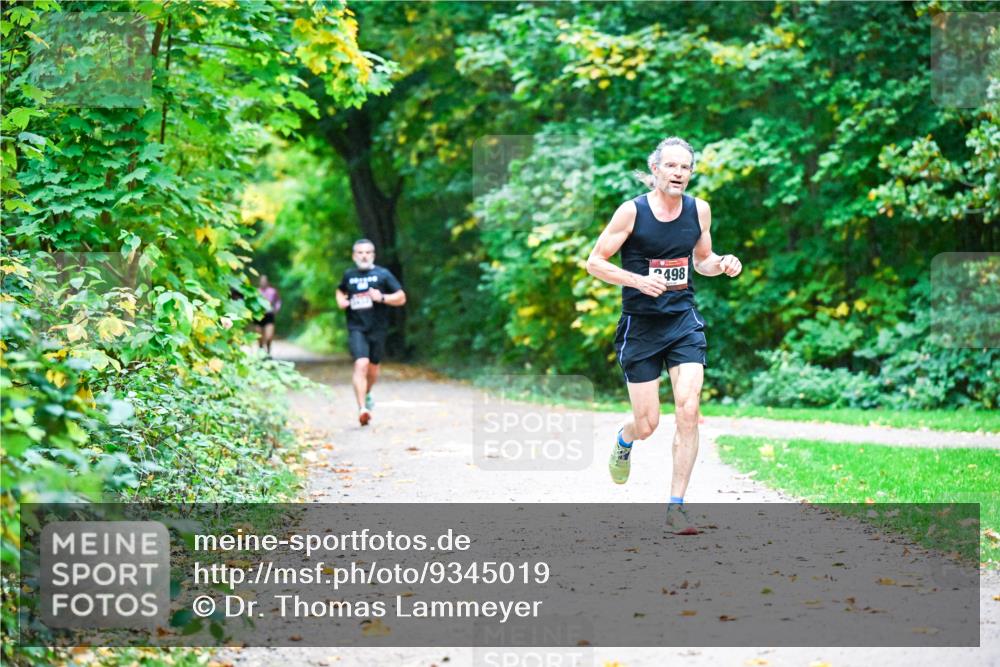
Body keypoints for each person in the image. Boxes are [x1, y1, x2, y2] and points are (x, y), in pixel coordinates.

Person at [585, 137, 743, 534]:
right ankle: (624, 439)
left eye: (685, 167)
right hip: (640, 326)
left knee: (688, 411)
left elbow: (702, 261)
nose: (678, 173)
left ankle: (676, 507)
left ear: (691, 173)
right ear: (655, 170)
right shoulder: (631, 212)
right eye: (671, 166)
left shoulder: (699, 210)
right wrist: (639, 280)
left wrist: (721, 263)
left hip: (682, 321)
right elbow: (594, 262)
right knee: (649, 423)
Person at [336, 239, 406, 426]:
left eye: (368, 252)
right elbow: (340, 290)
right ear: (354, 255)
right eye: (360, 252)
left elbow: (401, 297)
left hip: (378, 328)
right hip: (356, 327)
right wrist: (341, 301)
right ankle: (362, 409)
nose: (364, 255)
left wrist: (382, 297)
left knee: (373, 368)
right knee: (361, 363)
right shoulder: (349, 275)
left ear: (373, 255)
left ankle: (366, 394)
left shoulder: (383, 274)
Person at [256, 274, 282, 356]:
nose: (263, 282)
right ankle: (260, 352)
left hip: (269, 315)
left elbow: (278, 301)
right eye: (261, 281)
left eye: (264, 281)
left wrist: (276, 309)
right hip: (258, 316)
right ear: (259, 282)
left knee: (269, 337)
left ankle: (268, 352)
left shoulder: (272, 291)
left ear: (267, 282)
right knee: (259, 337)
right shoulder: (256, 291)